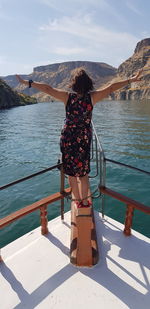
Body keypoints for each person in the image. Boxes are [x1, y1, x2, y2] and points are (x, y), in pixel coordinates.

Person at [16, 68, 142, 208]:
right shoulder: (92, 98)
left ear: (73, 84)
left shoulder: (67, 97)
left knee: (70, 173)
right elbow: (111, 87)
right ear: (89, 84)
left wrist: (28, 82)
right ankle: (84, 201)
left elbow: (47, 88)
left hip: (68, 138)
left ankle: (77, 202)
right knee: (83, 174)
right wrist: (131, 79)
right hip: (83, 140)